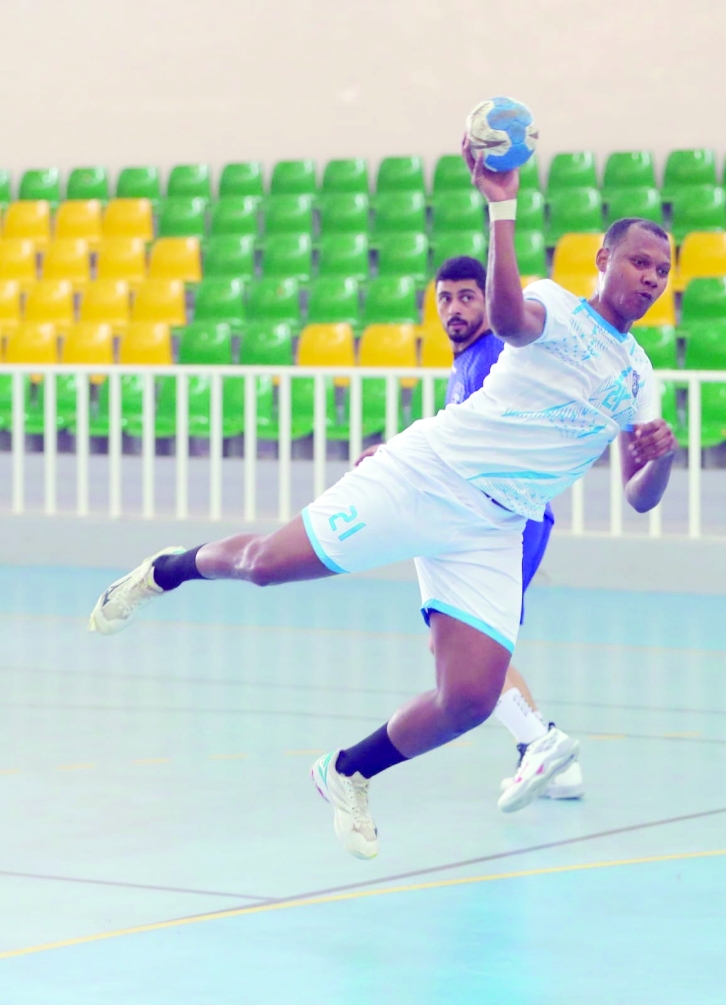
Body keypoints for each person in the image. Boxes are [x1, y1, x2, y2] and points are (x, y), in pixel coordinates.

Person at [87, 137, 678, 861]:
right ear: (604, 262)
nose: (649, 276)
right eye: (638, 261)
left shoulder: (641, 376)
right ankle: (166, 570)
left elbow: (641, 497)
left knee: (467, 697)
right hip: (429, 473)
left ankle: (347, 771)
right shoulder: (555, 307)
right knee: (269, 564)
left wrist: (661, 463)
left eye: (661, 269)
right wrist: (502, 208)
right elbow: (505, 314)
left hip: (496, 528)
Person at [429, 254, 582, 804]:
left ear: (488, 301)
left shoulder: (492, 355)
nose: (454, 308)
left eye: (467, 296)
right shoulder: (467, 362)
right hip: (502, 518)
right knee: (472, 648)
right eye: (445, 298)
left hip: (510, 518)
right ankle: (545, 757)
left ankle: (544, 745)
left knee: (469, 651)